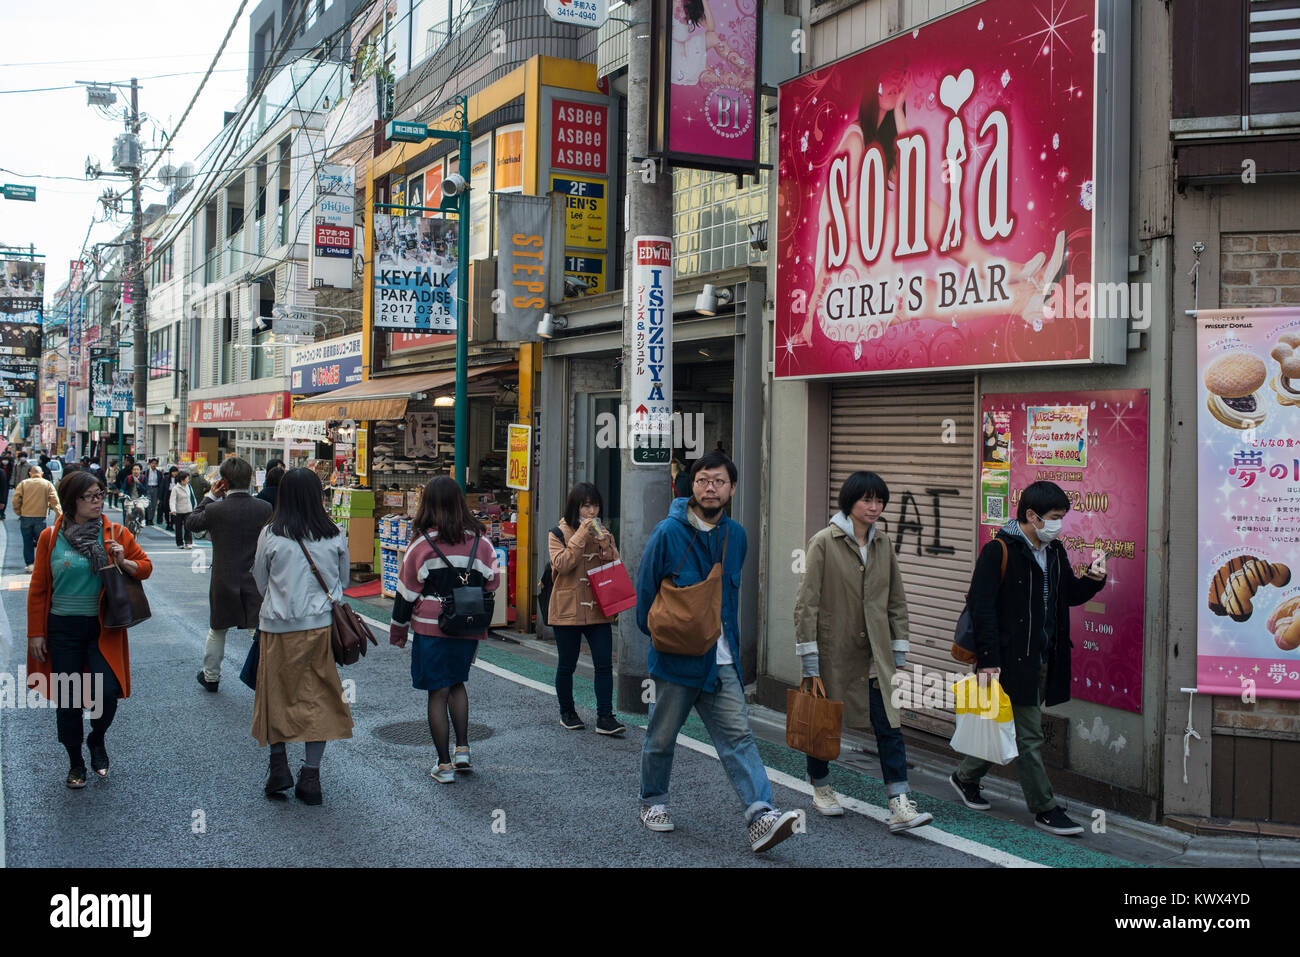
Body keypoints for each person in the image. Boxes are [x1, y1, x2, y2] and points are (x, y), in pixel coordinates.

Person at [635, 450, 801, 853]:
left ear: (732, 488)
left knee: (738, 737)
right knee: (662, 737)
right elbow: (644, 597)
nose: (711, 487)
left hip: (722, 662)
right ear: (691, 485)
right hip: (676, 661)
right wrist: (667, 636)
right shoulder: (666, 533)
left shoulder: (737, 536)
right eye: (704, 480)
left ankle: (761, 814)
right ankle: (652, 801)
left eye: (719, 481)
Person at [949, 480, 1107, 837]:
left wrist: (1094, 580)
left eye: (1062, 518)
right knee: (1029, 737)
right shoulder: (999, 551)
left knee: (1003, 727)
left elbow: (1069, 595)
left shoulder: (1053, 551)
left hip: (1043, 659)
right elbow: (982, 607)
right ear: (1032, 516)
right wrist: (989, 660)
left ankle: (964, 776)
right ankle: (1045, 808)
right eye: (1054, 517)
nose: (1059, 525)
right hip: (1007, 661)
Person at [793, 471, 934, 831]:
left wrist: (898, 648)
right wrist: (810, 657)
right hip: (834, 652)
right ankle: (821, 786)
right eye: (867, 500)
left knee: (889, 725)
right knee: (824, 723)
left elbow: (896, 599)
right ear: (849, 503)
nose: (874, 507)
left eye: (879, 500)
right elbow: (806, 603)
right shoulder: (823, 542)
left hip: (876, 655)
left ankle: (899, 803)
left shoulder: (884, 543)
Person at [26, 470, 152, 788]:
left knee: (106, 693)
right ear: (72, 501)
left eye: (100, 494)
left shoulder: (114, 533)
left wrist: (124, 562)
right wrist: (35, 633)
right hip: (62, 628)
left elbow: (146, 568)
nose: (98, 501)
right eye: (90, 496)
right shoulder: (50, 538)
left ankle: (96, 738)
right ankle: (75, 762)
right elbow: (39, 588)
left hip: (102, 628)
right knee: (68, 698)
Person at [251, 467, 354, 805]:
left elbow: (260, 580)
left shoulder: (271, 533)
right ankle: (311, 776)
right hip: (320, 627)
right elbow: (344, 582)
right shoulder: (334, 532)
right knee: (319, 699)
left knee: (275, 695)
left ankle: (278, 766)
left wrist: (281, 599)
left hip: (277, 628)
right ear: (317, 495)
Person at [389, 476, 501, 783]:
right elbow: (493, 581)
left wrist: (398, 632)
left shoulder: (421, 546)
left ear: (428, 506)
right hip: (467, 625)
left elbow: (406, 594)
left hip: (431, 628)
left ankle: (443, 764)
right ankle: (463, 749)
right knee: (456, 683)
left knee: (436, 692)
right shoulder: (480, 541)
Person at [188, 457, 272, 692]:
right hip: (255, 578)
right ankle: (267, 677)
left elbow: (192, 523)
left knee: (217, 629)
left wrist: (210, 497)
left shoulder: (215, 509)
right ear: (251, 479)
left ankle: (211, 677)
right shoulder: (264, 508)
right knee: (258, 630)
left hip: (223, 578)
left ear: (223, 482)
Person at [548, 482, 626, 735]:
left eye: (595, 505)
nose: (591, 511)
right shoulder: (557, 533)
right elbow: (562, 565)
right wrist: (581, 534)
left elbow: (616, 566)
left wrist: (606, 545)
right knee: (567, 665)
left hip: (598, 607)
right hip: (567, 607)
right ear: (575, 507)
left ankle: (605, 716)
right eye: (586, 505)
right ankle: (567, 712)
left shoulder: (604, 532)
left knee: (604, 664)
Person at [12, 465, 61, 572]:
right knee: (42, 542)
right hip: (41, 517)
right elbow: (55, 502)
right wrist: (59, 516)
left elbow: (15, 500)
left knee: (27, 541)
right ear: (42, 474)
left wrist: (19, 512)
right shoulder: (47, 484)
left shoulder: (23, 484)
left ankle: (30, 564)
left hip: (26, 517)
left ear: (30, 473)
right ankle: (41, 564)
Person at [170, 471, 196, 548]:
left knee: (188, 527)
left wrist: (195, 506)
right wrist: (173, 509)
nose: (188, 480)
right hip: (178, 511)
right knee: (178, 528)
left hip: (188, 510)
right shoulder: (175, 488)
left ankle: (188, 542)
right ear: (182, 480)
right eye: (187, 479)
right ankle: (180, 543)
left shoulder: (189, 487)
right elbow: (172, 500)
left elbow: (192, 497)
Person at [159, 465, 179, 530]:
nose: (175, 473)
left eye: (176, 472)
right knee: (167, 510)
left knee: (174, 510)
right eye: (173, 472)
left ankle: (172, 523)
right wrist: (160, 498)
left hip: (175, 495)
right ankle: (168, 523)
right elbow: (162, 488)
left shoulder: (178, 479)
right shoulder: (166, 478)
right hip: (167, 494)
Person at [143, 459, 161, 525]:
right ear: (150, 464)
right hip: (148, 488)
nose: (154, 465)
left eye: (155, 463)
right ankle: (147, 518)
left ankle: (151, 519)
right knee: (148, 504)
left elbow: (160, 482)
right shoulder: (146, 472)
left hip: (155, 488)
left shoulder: (159, 473)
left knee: (154, 505)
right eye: (152, 463)